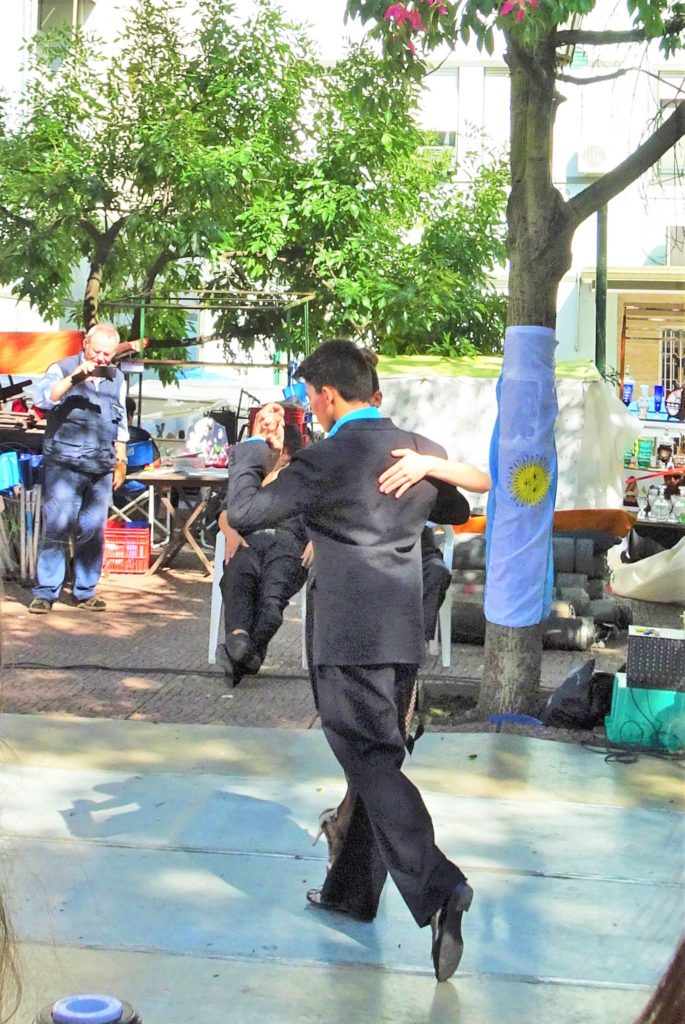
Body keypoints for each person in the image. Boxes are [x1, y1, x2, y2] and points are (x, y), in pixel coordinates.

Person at [227, 338, 473, 982]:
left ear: (329, 396)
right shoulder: (417, 450)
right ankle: (352, 893)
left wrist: (254, 453)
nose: (311, 407)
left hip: (347, 637)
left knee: (369, 760)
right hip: (402, 630)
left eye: (312, 397)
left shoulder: (326, 457)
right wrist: (429, 467)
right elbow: (458, 506)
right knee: (374, 761)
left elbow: (244, 512)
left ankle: (439, 886)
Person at [28, 324, 128, 614]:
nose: (101, 358)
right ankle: (46, 592)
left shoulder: (117, 377)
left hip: (100, 466)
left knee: (92, 530)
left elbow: (120, 420)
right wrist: (75, 377)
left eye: (107, 354)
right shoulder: (61, 368)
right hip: (64, 464)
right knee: (56, 527)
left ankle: (85, 591)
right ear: (85, 344)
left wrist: (121, 461)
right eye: (97, 351)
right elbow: (44, 398)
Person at [216, 424, 310, 685]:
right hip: (249, 540)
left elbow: (323, 512)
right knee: (237, 577)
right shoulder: (251, 476)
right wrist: (231, 533)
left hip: (288, 545)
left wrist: (315, 540)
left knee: (271, 606)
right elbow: (224, 512)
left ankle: (237, 654)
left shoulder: (303, 477)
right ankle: (245, 649)